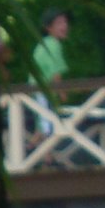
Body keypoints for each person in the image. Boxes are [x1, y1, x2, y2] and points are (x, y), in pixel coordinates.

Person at [31, 8, 70, 136]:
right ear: (49, 28)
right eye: (59, 23)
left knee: (41, 124)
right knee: (46, 125)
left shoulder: (44, 43)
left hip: (36, 88)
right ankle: (45, 154)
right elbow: (55, 73)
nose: (64, 26)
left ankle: (37, 150)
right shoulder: (53, 45)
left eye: (65, 22)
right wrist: (62, 93)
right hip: (42, 89)